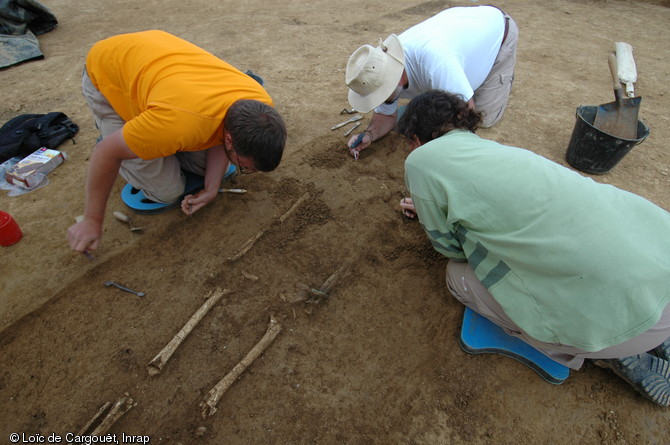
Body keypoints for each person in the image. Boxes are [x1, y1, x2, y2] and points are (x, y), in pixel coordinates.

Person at [397, 89, 670, 406]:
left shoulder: (420, 161)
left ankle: (608, 352)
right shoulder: (500, 153)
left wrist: (431, 212)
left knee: (458, 277)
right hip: (659, 268)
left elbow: (452, 250)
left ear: (416, 137)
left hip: (619, 326)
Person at [67, 30, 286, 255]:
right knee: (167, 192)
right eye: (246, 166)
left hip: (163, 68)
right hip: (109, 71)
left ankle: (146, 138)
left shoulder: (261, 103)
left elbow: (220, 133)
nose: (245, 170)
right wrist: (92, 220)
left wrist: (211, 189)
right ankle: (117, 132)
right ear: (230, 139)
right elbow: (106, 153)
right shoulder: (179, 123)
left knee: (210, 169)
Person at [344, 5, 518, 159]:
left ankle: (487, 74)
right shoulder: (383, 67)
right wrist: (369, 135)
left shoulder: (436, 63)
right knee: (411, 120)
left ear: (392, 79)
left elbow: (468, 116)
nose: (380, 99)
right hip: (455, 35)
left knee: (484, 118)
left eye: (380, 95)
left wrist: (435, 153)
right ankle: (466, 74)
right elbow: (386, 114)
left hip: (497, 31)